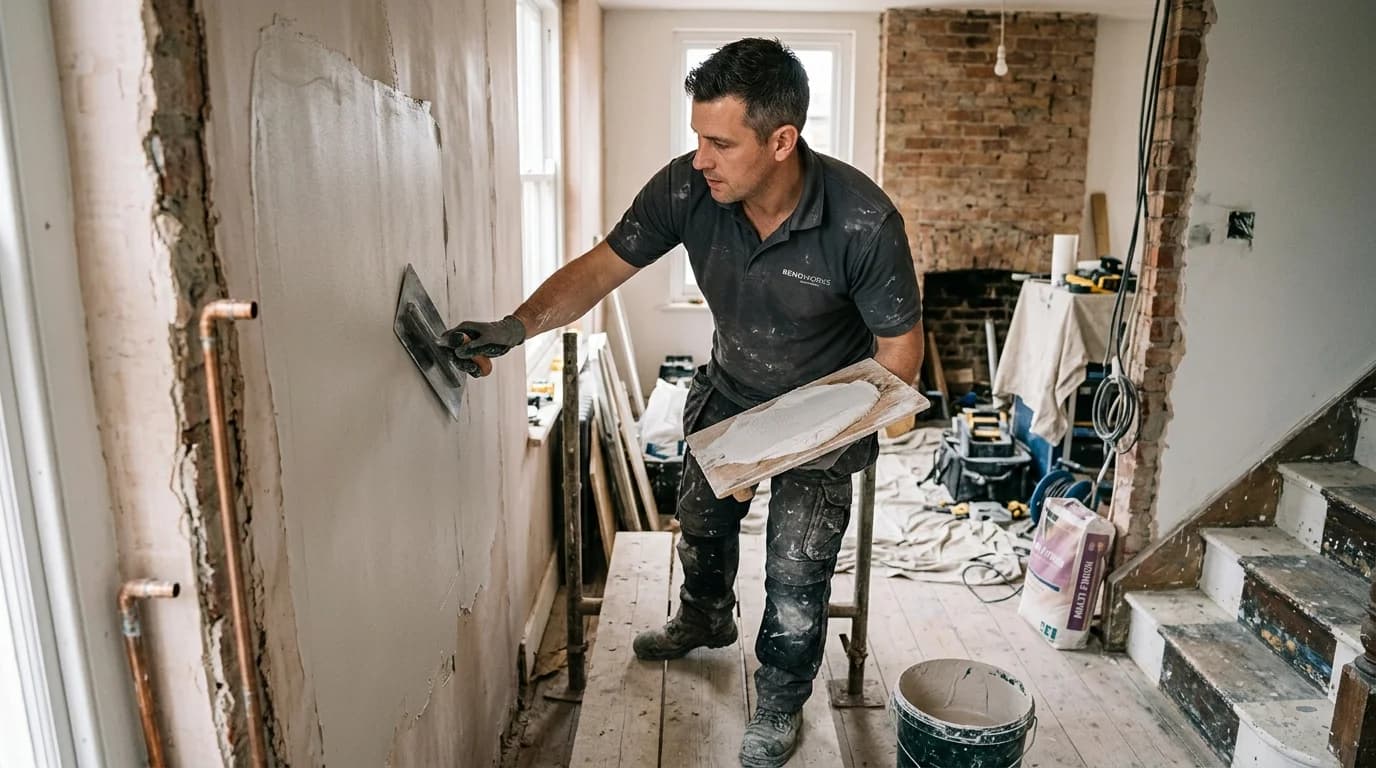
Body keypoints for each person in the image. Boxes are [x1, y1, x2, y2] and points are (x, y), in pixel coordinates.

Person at [445, 37, 922, 768]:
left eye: (720, 142)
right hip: (733, 387)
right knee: (699, 520)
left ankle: (781, 697)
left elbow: (899, 359)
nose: (701, 156)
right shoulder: (687, 189)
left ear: (781, 140)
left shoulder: (863, 222)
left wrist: (830, 435)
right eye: (698, 136)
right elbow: (602, 267)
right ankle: (705, 618)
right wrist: (515, 327)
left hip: (827, 409)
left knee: (796, 571)